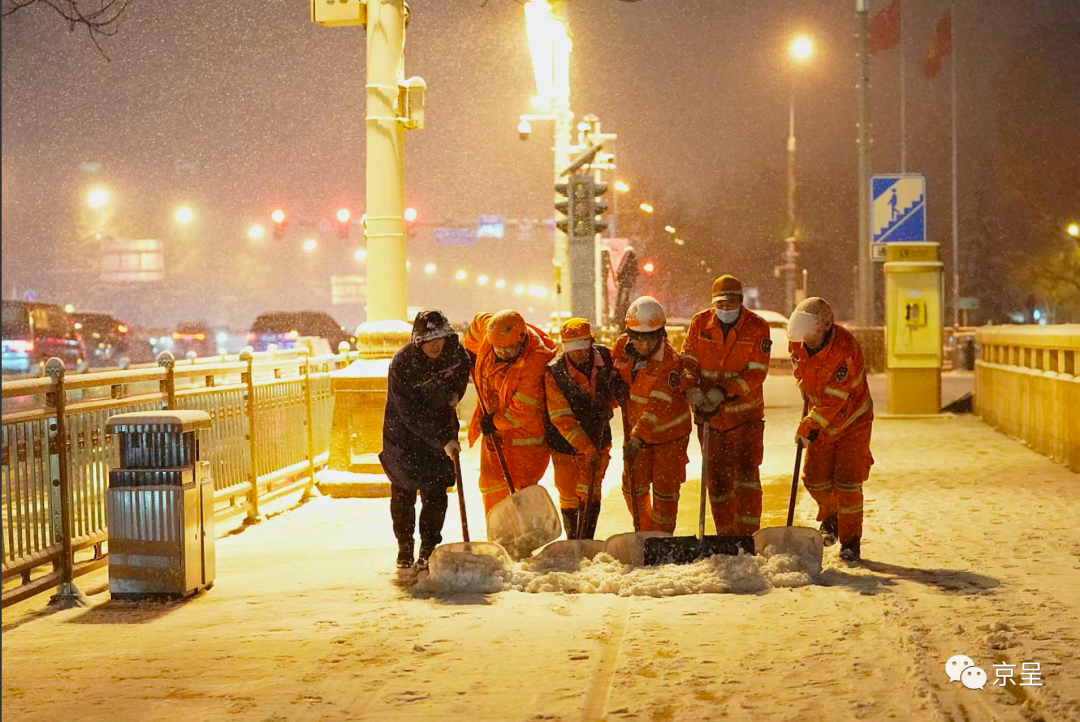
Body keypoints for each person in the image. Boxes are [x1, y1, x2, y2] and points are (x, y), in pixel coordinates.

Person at [680, 275, 772, 536]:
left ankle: (748, 536)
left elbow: (756, 373)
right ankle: (725, 536)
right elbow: (688, 359)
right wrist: (691, 388)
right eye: (721, 304)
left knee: (746, 479)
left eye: (732, 304)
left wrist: (724, 391)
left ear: (741, 302)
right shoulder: (699, 323)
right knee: (717, 481)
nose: (726, 309)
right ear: (713, 303)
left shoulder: (757, 327)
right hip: (710, 419)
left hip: (746, 419)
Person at [380, 309, 471, 570]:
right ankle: (405, 548)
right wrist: (443, 440)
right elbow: (410, 413)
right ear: (418, 340)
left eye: (440, 338)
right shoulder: (403, 363)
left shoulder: (454, 354)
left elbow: (464, 369)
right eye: (430, 339)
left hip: (440, 433)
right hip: (403, 438)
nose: (436, 344)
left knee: (435, 494)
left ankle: (428, 549)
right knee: (404, 494)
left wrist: (456, 392)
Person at [787, 297, 874, 562]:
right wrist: (802, 384)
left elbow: (835, 398)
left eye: (809, 329)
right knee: (815, 478)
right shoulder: (798, 344)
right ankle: (832, 515)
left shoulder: (844, 350)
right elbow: (800, 370)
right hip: (821, 421)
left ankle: (850, 542)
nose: (805, 337)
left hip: (852, 422)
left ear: (825, 326)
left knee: (847, 483)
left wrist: (809, 425)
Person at [609, 296, 692, 533]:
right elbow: (615, 371)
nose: (644, 345)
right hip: (637, 434)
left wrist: (636, 437)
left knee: (665, 494)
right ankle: (645, 533)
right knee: (632, 488)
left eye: (650, 338)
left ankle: (662, 539)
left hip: (669, 436)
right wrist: (613, 381)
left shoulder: (670, 362)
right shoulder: (621, 347)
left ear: (661, 333)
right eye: (638, 338)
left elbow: (657, 406)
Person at [463, 309, 557, 514]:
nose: (503, 354)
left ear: (521, 342)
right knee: (492, 486)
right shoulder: (492, 331)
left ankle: (524, 539)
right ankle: (498, 534)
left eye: (509, 349)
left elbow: (521, 412)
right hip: (495, 432)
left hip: (525, 439)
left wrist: (493, 422)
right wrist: (469, 347)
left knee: (521, 491)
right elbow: (477, 322)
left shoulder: (534, 363)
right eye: (498, 349)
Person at [544, 318, 616, 539]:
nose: (576, 353)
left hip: (599, 438)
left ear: (591, 342)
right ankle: (573, 538)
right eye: (570, 347)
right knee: (568, 494)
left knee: (592, 492)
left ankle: (586, 540)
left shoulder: (606, 357)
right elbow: (561, 418)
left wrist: (612, 399)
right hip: (564, 444)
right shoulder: (554, 373)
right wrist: (586, 448)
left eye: (581, 346)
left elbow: (615, 384)